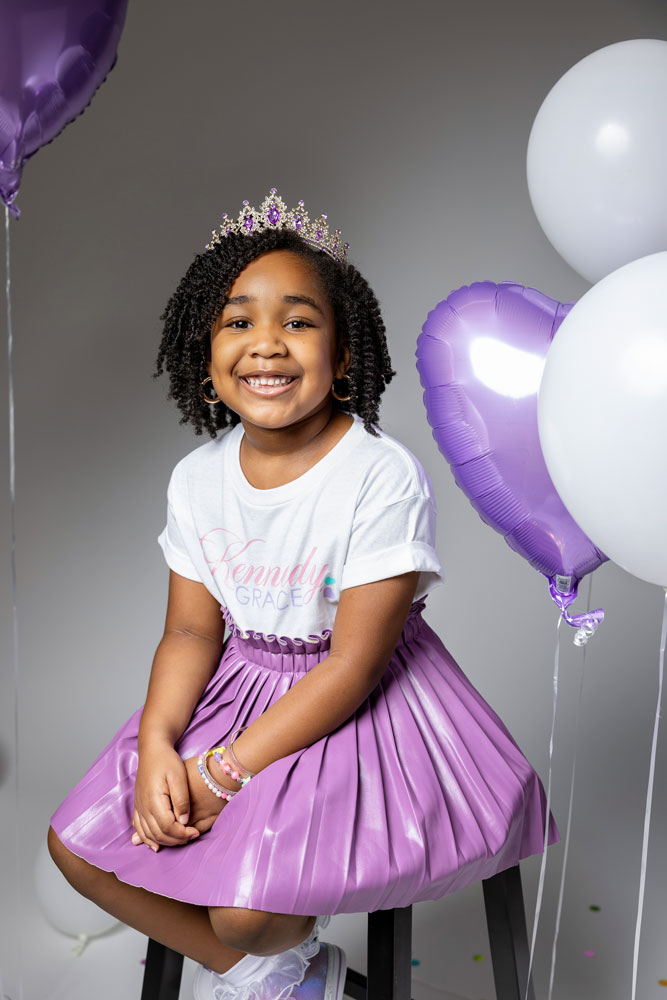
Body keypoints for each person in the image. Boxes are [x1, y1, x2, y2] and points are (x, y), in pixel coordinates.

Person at [48, 189, 558, 1000]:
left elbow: (354, 665)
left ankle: (262, 954)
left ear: (345, 353)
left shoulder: (378, 474)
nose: (267, 345)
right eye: (238, 321)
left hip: (355, 706)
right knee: (75, 849)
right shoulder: (197, 478)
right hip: (238, 689)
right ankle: (279, 978)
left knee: (245, 912)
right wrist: (157, 744)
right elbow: (188, 634)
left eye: (298, 321)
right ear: (203, 352)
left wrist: (223, 774)